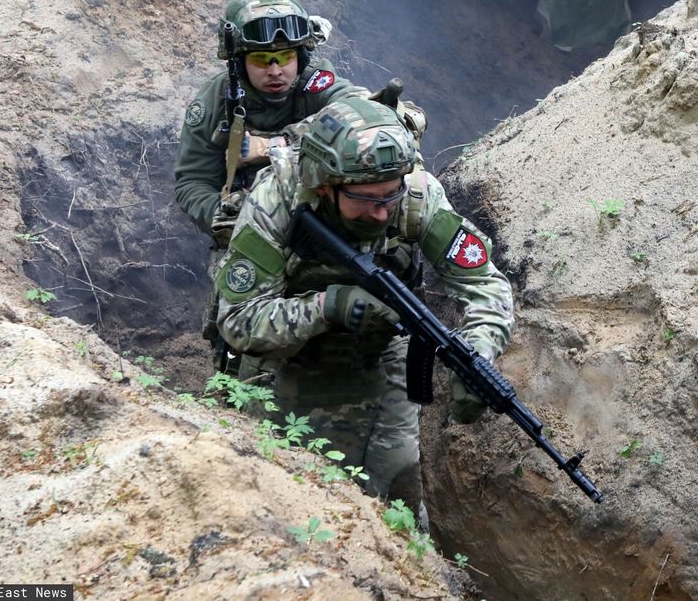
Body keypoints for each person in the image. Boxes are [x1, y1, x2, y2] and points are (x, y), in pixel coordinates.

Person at [211, 97, 513, 512]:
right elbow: (239, 321)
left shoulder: (418, 197)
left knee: (397, 487)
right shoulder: (276, 202)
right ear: (324, 186)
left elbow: (485, 285)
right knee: (285, 494)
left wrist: (480, 348)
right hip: (285, 359)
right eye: (367, 200)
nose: (381, 213)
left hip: (380, 351)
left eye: (390, 198)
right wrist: (329, 305)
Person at [174, 0, 368, 245]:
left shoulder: (315, 83)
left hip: (328, 217)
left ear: (300, 56)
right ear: (240, 62)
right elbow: (193, 182)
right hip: (253, 226)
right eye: (262, 59)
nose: (275, 71)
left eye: (286, 56)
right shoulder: (214, 101)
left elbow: (365, 115)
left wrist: (272, 147)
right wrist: (229, 219)